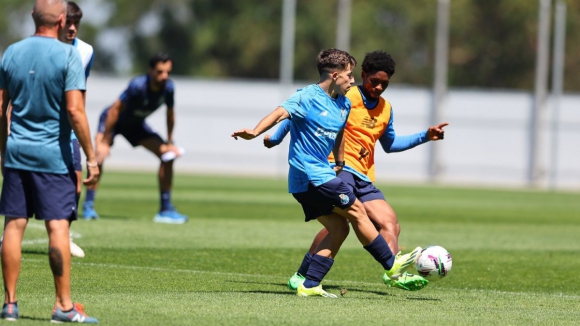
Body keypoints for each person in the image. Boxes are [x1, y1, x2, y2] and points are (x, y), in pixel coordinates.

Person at [232, 48, 419, 298]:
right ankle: (391, 265)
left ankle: (309, 285)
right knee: (357, 211)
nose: (352, 81)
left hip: (319, 176)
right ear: (334, 74)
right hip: (309, 175)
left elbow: (340, 132)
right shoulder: (307, 96)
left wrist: (339, 160)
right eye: (349, 75)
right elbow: (280, 114)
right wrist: (255, 133)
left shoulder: (342, 102)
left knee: (339, 228)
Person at [264, 50, 449, 292]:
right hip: (339, 168)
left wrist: (425, 136)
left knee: (391, 224)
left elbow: (390, 144)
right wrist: (275, 137)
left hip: (364, 175)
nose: (379, 87)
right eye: (375, 81)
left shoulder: (385, 109)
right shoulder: (345, 92)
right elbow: (299, 112)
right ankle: (306, 275)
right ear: (363, 75)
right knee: (343, 223)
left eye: (385, 83)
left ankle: (392, 272)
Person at [0, 0, 99, 323]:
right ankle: (63, 306)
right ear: (60, 20)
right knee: (58, 227)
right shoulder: (68, 54)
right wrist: (92, 157)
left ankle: (10, 305)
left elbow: (1, 108)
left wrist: (5, 151)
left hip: (17, 153)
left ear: (33, 17)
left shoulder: (11, 52)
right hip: (52, 156)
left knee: (13, 227)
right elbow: (75, 110)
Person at [82, 53, 187, 224]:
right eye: (160, 72)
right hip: (113, 121)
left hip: (135, 125)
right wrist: (105, 140)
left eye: (168, 72)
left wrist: (169, 142)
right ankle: (88, 207)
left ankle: (165, 210)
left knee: (168, 156)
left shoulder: (168, 88)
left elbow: (170, 115)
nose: (164, 76)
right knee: (99, 157)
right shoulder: (137, 86)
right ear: (151, 70)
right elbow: (114, 110)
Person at [58, 0, 95, 258]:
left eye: (76, 23)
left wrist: (80, 128)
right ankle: (13, 231)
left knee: (76, 186)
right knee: (27, 181)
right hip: (42, 125)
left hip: (70, 126)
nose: (72, 28)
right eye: (68, 23)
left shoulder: (86, 51)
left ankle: (65, 236)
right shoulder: (43, 47)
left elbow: (81, 92)